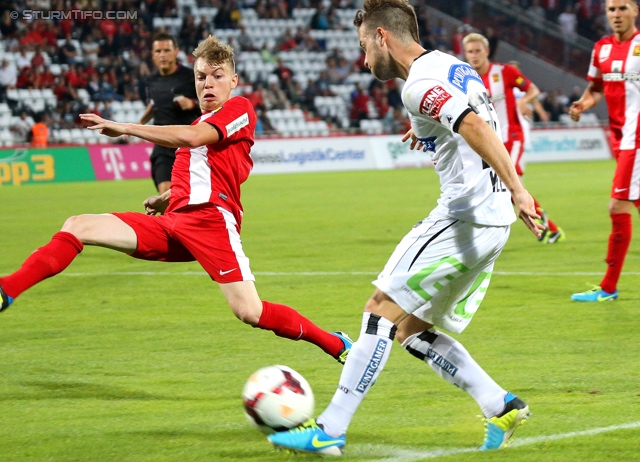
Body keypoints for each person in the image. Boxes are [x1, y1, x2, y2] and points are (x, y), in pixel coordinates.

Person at [268, 0, 543, 455]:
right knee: (410, 329)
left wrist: (519, 187)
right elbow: (464, 116)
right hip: (493, 224)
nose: (363, 60)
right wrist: (429, 130)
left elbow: (473, 123)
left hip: (465, 217)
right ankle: (500, 404)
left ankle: (329, 431)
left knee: (379, 310)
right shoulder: (451, 67)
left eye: (363, 47)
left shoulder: (418, 85)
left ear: (382, 37)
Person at [0, 36, 352, 371]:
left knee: (250, 311)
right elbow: (213, 168)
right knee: (79, 224)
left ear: (234, 80)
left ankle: (336, 344)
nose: (207, 84)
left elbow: (192, 137)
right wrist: (167, 197)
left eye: (217, 76)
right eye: (201, 77)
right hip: (175, 222)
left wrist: (124, 127)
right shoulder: (203, 121)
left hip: (211, 223)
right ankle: (7, 289)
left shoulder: (238, 108)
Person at [568, 0, 640, 302]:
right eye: (611, 10)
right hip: (619, 136)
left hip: (636, 137)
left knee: (617, 206)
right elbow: (596, 87)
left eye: (623, 8)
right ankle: (609, 287)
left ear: (635, 11)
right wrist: (583, 103)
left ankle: (608, 287)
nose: (616, 15)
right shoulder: (601, 48)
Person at [463, 32, 565, 244]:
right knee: (495, 188)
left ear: (487, 51)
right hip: (485, 143)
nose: (474, 55)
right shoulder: (465, 80)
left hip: (511, 137)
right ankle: (544, 229)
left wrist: (523, 101)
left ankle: (549, 230)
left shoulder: (505, 72)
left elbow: (533, 89)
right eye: (469, 52)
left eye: (477, 51)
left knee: (512, 184)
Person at [137, 33, 202, 194]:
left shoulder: (191, 76)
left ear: (176, 52)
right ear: (153, 55)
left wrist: (193, 103)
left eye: (167, 50)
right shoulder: (151, 80)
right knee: (166, 192)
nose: (162, 55)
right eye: (158, 51)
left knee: (188, 195)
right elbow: (155, 104)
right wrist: (138, 124)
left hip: (187, 144)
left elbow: (213, 103)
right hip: (162, 144)